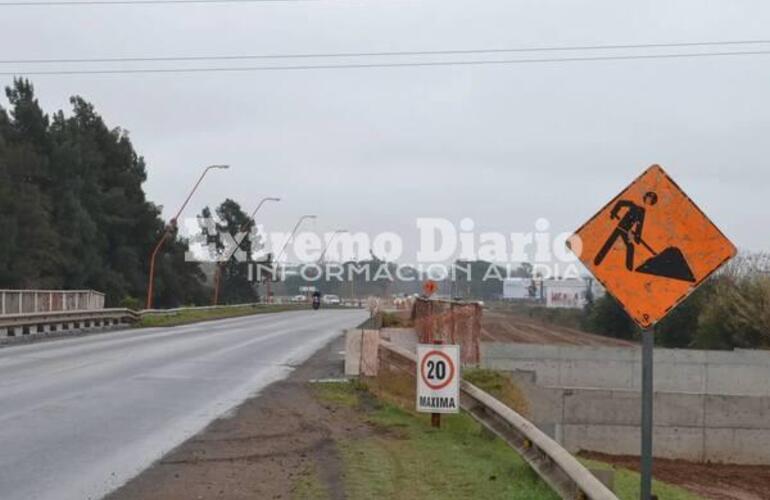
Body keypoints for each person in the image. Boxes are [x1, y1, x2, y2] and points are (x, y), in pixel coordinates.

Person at [593, 191, 658, 270]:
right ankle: (597, 260)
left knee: (630, 246)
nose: (648, 201)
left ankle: (629, 269)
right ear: (645, 197)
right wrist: (614, 212)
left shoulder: (642, 211)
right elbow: (620, 203)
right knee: (610, 242)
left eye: (650, 201)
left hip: (626, 230)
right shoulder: (633, 204)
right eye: (648, 199)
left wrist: (637, 237)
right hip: (621, 227)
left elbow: (639, 225)